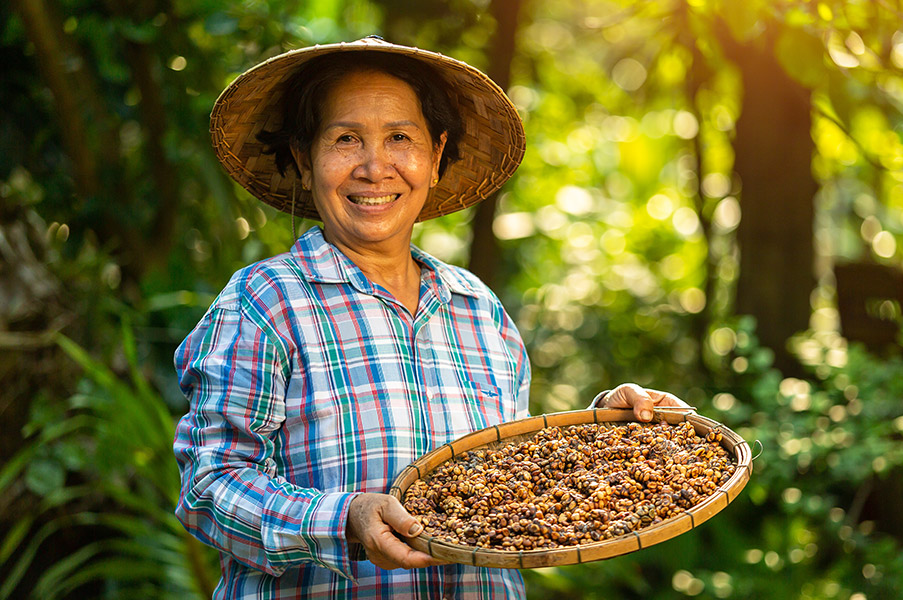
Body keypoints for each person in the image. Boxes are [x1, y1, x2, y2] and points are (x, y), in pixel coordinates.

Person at [174, 36, 690, 600]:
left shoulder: (476, 307)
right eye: (346, 139)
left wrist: (605, 434)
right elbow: (209, 488)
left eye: (401, 138)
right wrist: (346, 518)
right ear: (303, 159)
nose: (375, 168)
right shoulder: (265, 302)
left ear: (436, 156)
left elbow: (510, 474)